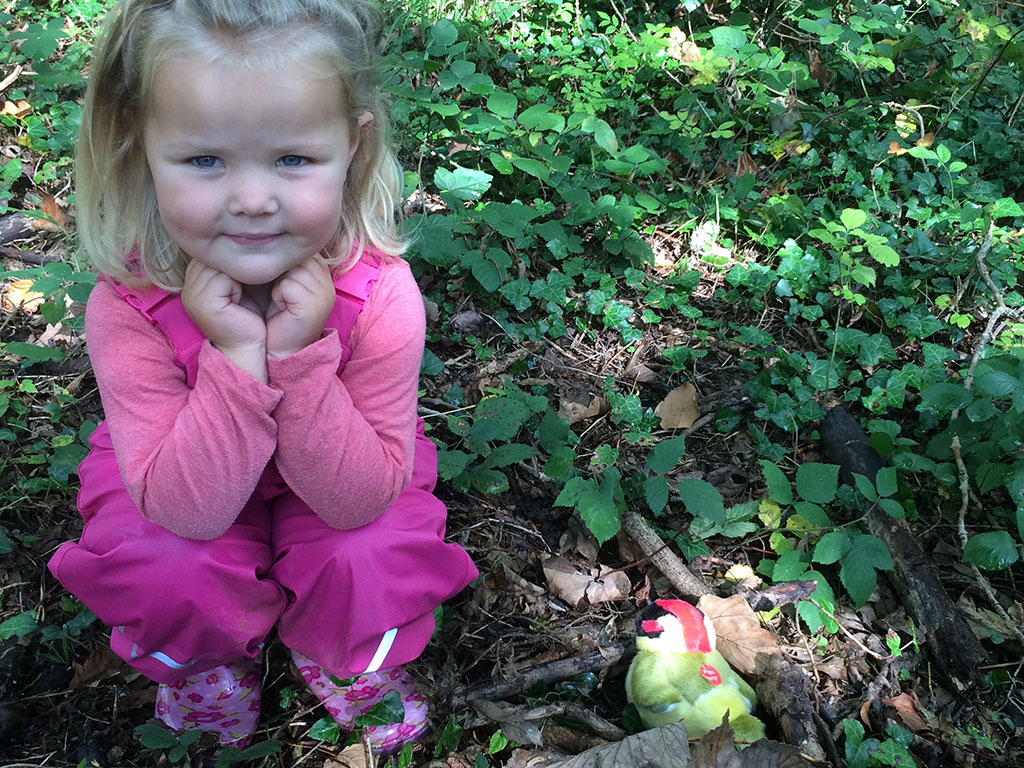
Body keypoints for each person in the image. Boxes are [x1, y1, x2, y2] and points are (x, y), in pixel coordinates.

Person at [47, 0, 477, 754]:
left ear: (352, 145)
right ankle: (207, 665)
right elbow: (186, 511)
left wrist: (303, 361)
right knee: (163, 564)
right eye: (205, 159)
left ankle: (341, 654)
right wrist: (239, 358)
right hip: (183, 480)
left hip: (343, 472)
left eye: (292, 159)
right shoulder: (130, 307)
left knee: (369, 549)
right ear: (137, 146)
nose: (251, 199)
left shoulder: (379, 295)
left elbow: (358, 497)